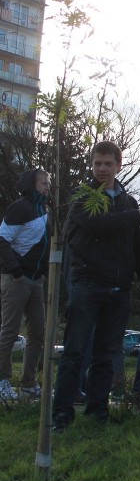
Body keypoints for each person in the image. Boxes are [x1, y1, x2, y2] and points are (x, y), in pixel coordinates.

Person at [53, 141, 140, 432]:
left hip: (118, 289)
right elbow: (98, 224)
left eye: (107, 164)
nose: (101, 169)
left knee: (105, 355)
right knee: (75, 352)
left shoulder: (126, 202)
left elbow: (138, 244)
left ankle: (97, 411)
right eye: (97, 163)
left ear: (118, 165)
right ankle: (61, 413)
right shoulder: (82, 197)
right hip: (87, 284)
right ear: (91, 165)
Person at [0, 169, 51, 401]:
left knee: (38, 332)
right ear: (32, 184)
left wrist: (41, 274)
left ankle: (29, 382)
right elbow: (2, 239)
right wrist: (17, 272)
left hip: (36, 281)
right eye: (43, 182)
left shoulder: (45, 209)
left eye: (49, 182)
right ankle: (2, 380)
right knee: (10, 331)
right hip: (16, 279)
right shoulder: (20, 207)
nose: (48, 185)